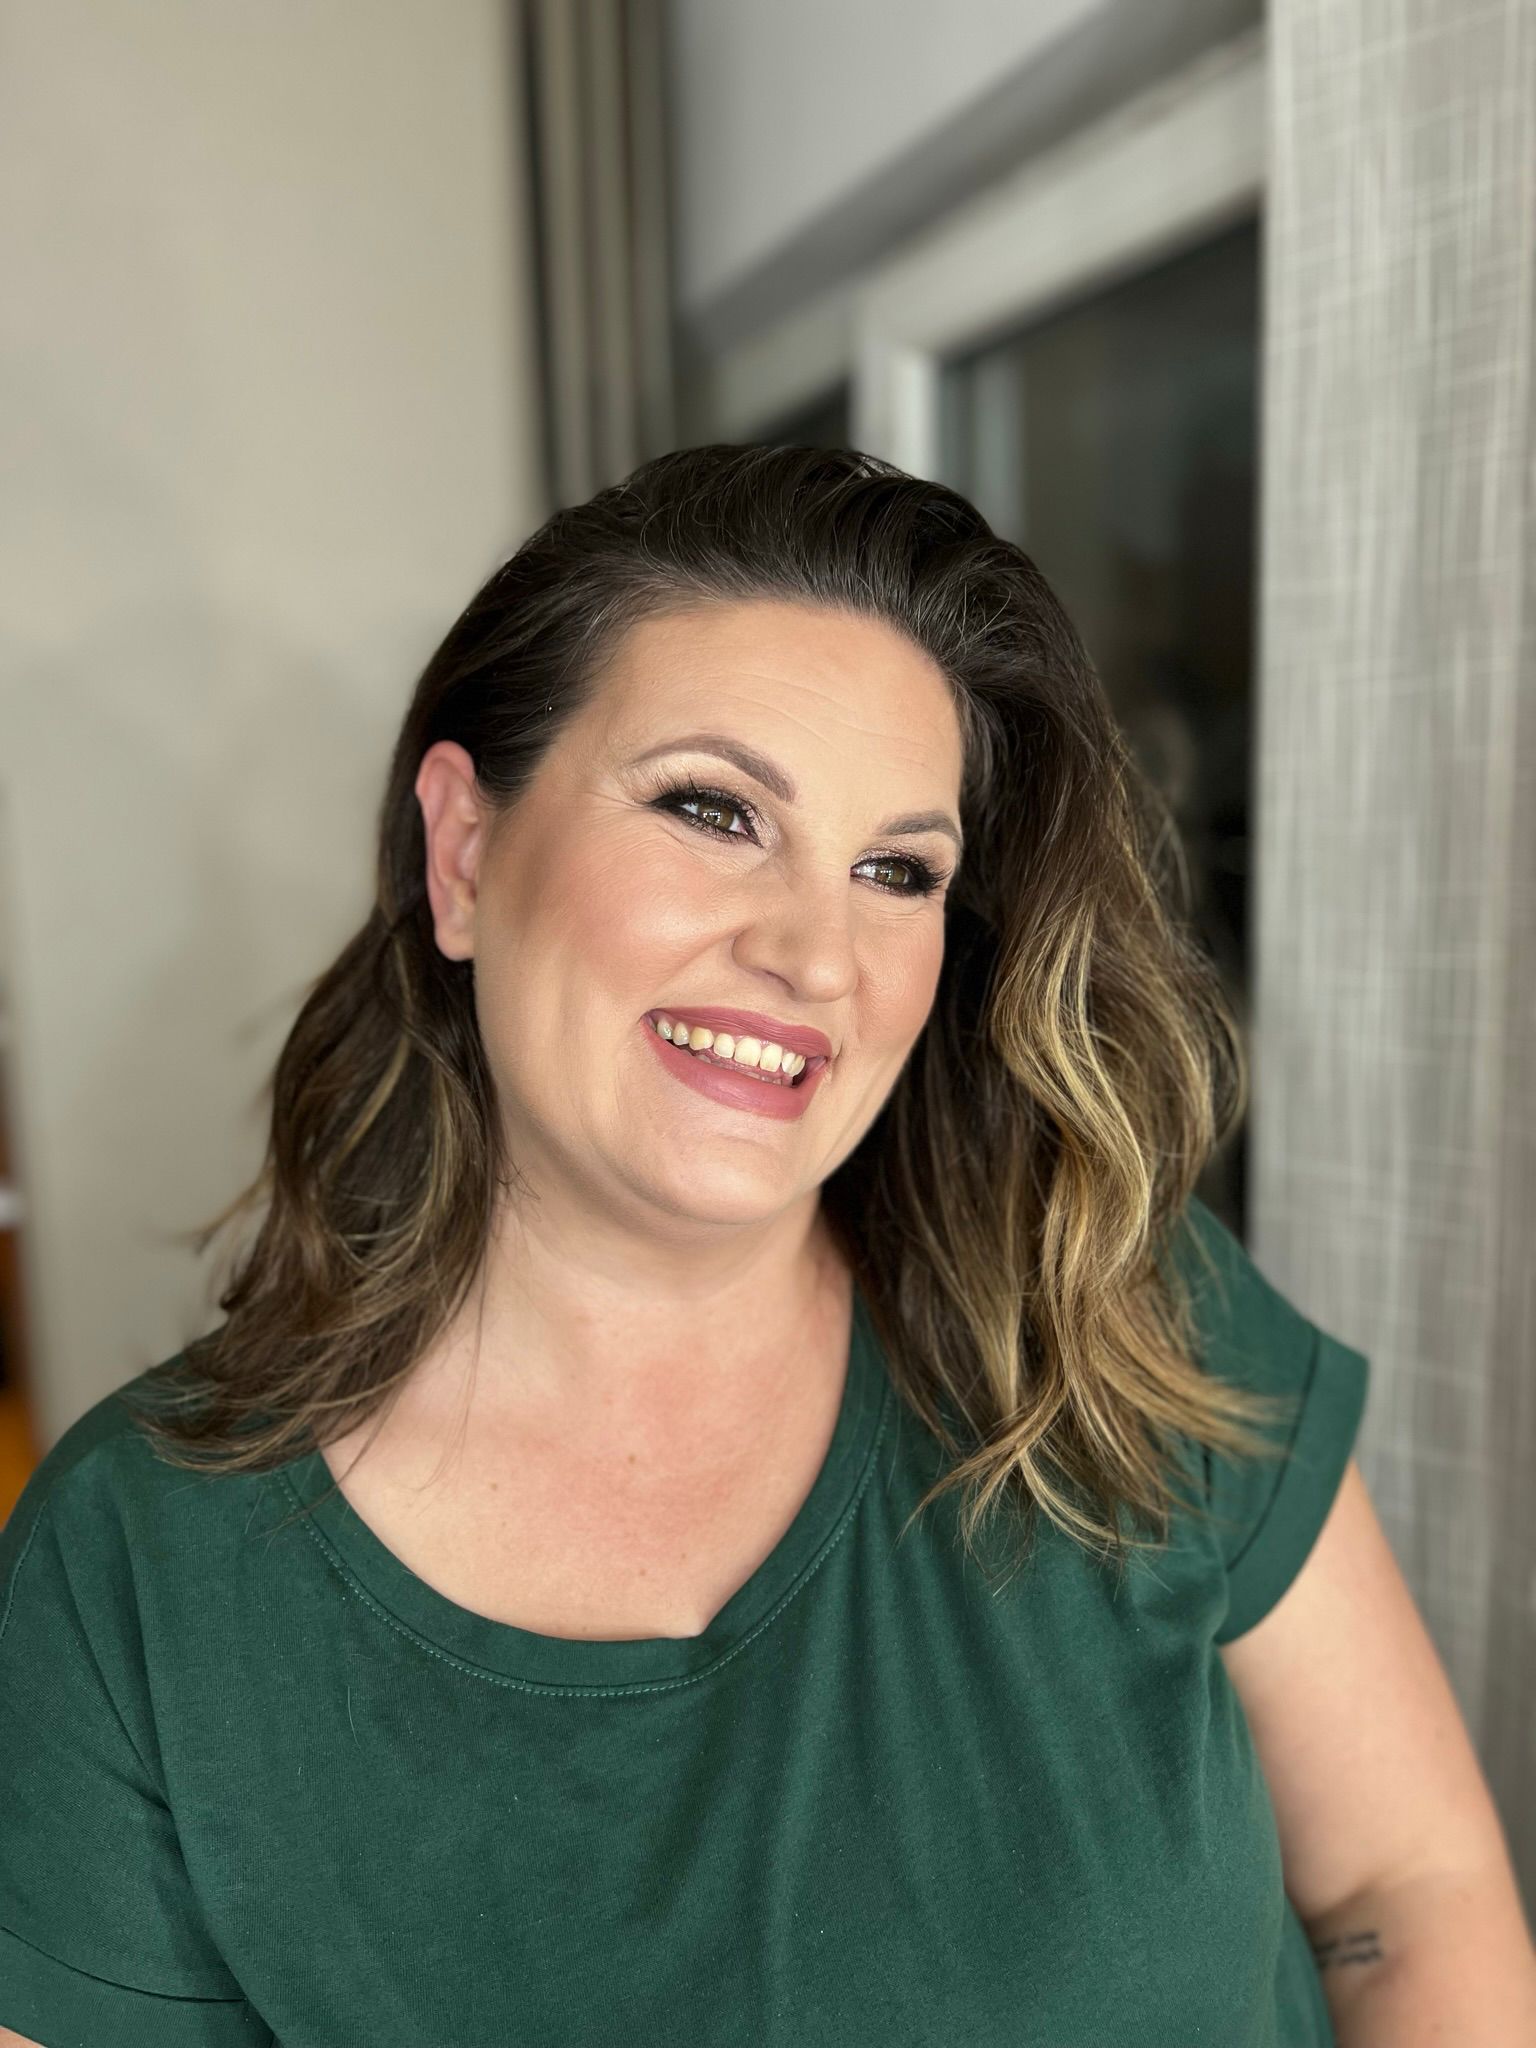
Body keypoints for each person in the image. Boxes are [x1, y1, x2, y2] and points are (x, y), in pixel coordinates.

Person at [0, 442, 1487, 2045]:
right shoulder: (138, 1577)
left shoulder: (1106, 1306)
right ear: (465, 853)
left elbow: (1409, 1899)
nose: (814, 955)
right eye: (713, 810)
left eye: (897, 871)